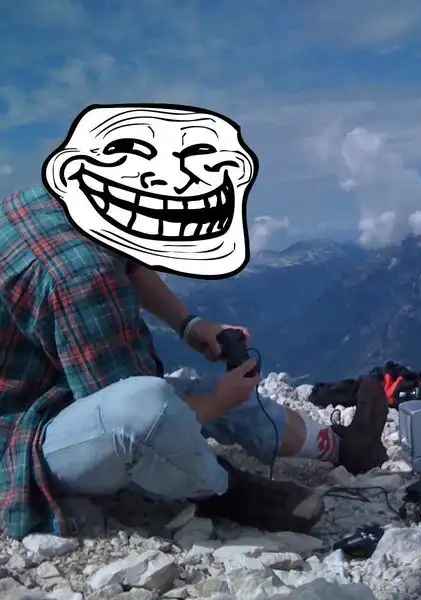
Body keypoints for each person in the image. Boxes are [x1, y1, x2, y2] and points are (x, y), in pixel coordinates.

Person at [0, 185, 389, 540]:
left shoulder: (67, 200)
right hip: (20, 433)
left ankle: (342, 448)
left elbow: (128, 262)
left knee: (205, 396)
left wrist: (190, 325)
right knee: (150, 409)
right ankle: (223, 490)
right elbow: (132, 411)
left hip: (51, 384)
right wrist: (220, 402)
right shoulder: (82, 278)